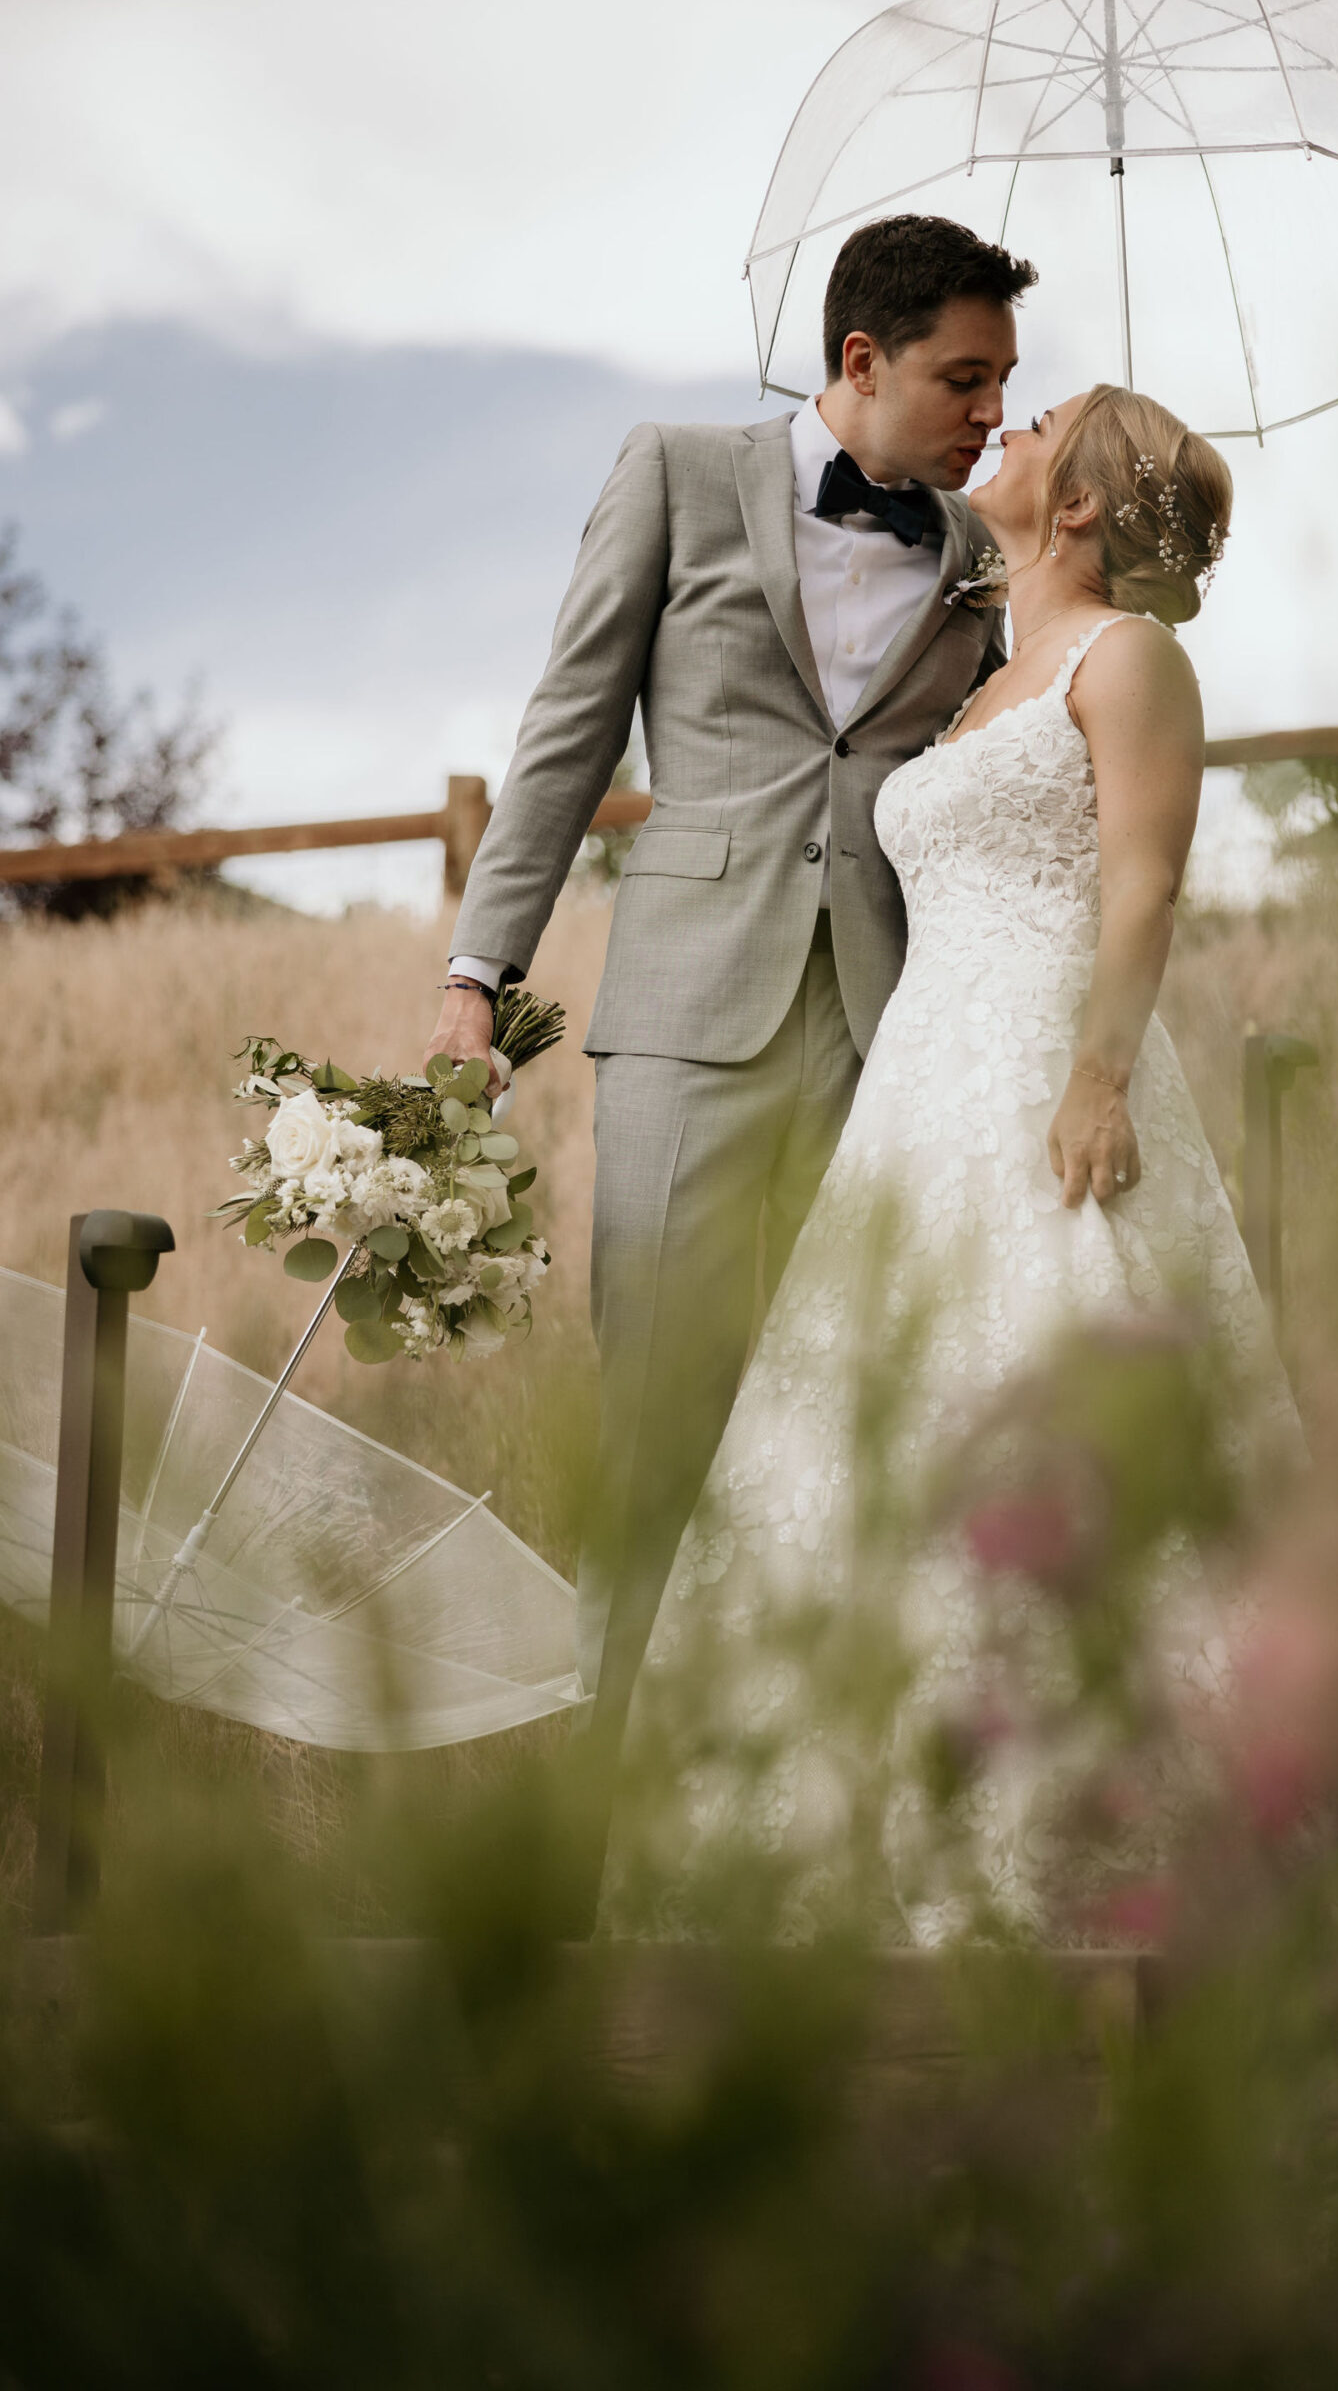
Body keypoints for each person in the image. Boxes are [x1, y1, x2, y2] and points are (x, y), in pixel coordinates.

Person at [600, 385, 1302, 1944]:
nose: (1005, 424)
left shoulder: (1133, 661)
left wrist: (1100, 1074)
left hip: (1053, 1066)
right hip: (922, 1088)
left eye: (1036, 422)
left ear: (1078, 505)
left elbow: (1146, 881)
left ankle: (1097, 1837)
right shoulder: (985, 680)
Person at [423, 213, 1039, 1919]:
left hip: (901, 1031)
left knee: (861, 1430)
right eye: (961, 378)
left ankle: (814, 1858)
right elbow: (565, 727)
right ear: (860, 361)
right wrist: (482, 976)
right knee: (663, 1431)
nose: (991, 410)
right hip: (689, 1020)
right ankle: (601, 1862)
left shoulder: (991, 545)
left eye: (1003, 381)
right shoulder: (678, 474)